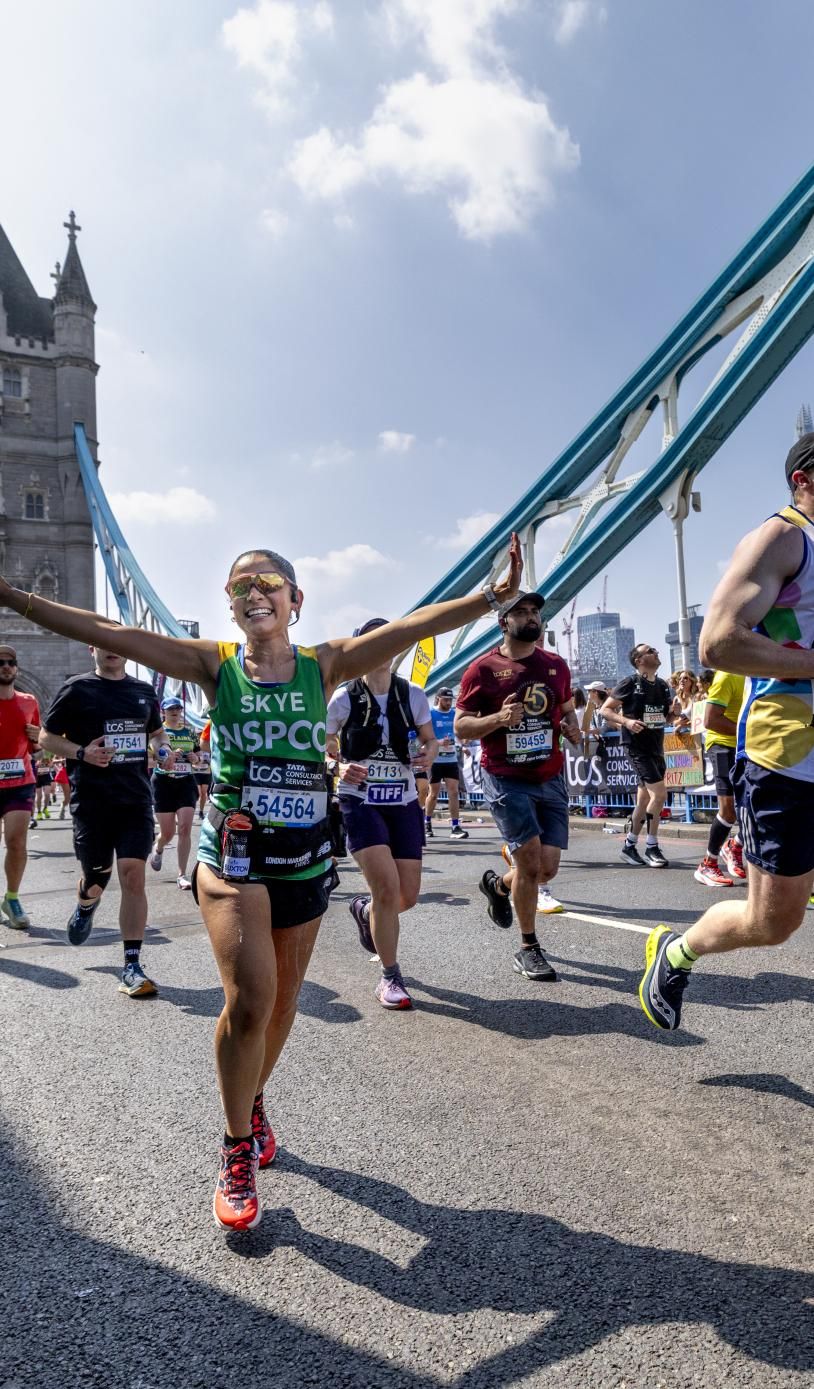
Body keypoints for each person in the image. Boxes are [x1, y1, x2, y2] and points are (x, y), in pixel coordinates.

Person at [1, 536, 522, 1229]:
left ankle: (250, 1098)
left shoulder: (324, 664)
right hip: (234, 855)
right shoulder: (212, 666)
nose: (253, 593)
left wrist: (492, 598)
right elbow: (106, 628)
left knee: (281, 1009)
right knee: (252, 999)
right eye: (239, 585)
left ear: (295, 600)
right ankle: (236, 1147)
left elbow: (411, 628)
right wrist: (12, 597)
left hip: (304, 858)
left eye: (268, 581)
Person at [639, 433, 814, 1030]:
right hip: (789, 755)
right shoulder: (783, 538)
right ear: (804, 479)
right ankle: (677, 952)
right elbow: (719, 642)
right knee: (773, 923)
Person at [454, 591, 581, 982]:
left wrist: (571, 729)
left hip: (550, 774)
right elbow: (461, 727)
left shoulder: (556, 666)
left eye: (534, 612)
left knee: (546, 870)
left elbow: (566, 713)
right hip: (507, 777)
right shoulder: (482, 670)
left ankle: (497, 885)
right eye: (521, 612)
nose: (530, 617)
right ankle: (529, 948)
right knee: (528, 861)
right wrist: (498, 718)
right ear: (503, 623)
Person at [39, 643, 169, 997]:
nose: (113, 650)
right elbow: (46, 737)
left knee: (133, 875)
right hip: (92, 802)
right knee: (96, 878)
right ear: (91, 649)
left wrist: (164, 749)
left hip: (135, 799)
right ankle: (86, 903)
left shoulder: (143, 691)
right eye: (104, 645)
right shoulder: (77, 689)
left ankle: (132, 966)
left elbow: (156, 733)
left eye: (119, 645)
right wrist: (82, 753)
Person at [326, 617, 437, 1010]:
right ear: (360, 648)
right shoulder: (343, 698)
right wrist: (337, 766)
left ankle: (365, 912)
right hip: (361, 800)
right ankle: (390, 977)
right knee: (388, 890)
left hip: (404, 801)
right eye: (375, 641)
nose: (384, 649)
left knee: (407, 895)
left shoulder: (415, 694)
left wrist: (429, 753)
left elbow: (430, 740)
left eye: (391, 641)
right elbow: (321, 744)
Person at [600, 644, 673, 868]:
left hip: (656, 746)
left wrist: (675, 715)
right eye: (650, 650)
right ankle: (652, 846)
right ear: (639, 660)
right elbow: (605, 709)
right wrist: (627, 721)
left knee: (643, 800)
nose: (656, 651)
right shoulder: (630, 682)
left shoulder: (662, 685)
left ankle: (629, 846)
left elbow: (664, 718)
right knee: (659, 795)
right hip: (636, 747)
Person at [693, 670, 747, 887]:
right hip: (723, 744)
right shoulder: (727, 675)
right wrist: (748, 732)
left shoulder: (758, 673)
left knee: (757, 807)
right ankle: (708, 864)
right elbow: (710, 720)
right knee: (729, 811)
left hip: (746, 745)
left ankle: (734, 845)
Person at [0, 644, 40, 928]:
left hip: (19, 781)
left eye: (11, 662)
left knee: (16, 842)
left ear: (17, 668)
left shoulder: (29, 702)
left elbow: (36, 746)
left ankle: (12, 898)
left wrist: (39, 736)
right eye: (0, 662)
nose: (5, 666)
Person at [150, 695, 200, 890]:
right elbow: (147, 761)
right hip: (163, 782)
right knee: (168, 832)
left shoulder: (190, 732)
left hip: (186, 781)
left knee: (185, 828)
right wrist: (166, 759)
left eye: (178, 708)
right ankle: (159, 846)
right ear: (163, 711)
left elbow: (199, 758)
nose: (175, 712)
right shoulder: (158, 733)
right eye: (170, 708)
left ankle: (182, 874)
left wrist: (194, 757)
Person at [424, 687, 468, 841]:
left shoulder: (454, 714)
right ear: (438, 699)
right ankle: (427, 823)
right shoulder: (431, 714)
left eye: (450, 700)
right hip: (435, 759)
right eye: (446, 700)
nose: (449, 703)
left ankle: (455, 826)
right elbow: (424, 739)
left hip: (450, 759)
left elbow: (458, 732)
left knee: (454, 792)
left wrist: (463, 745)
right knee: (433, 793)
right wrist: (439, 742)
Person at [195, 717, 212, 821]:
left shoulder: (208, 744)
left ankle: (201, 811)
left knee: (204, 792)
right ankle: (194, 809)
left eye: (200, 733)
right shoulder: (195, 745)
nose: (200, 736)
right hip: (195, 771)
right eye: (198, 734)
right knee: (198, 792)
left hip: (206, 771)